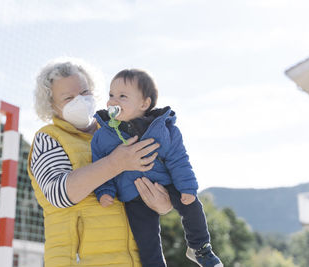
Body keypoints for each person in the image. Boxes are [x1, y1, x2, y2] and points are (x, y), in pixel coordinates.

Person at [27, 58, 173, 267]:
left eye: (84, 93)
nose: (80, 101)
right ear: (51, 105)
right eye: (68, 97)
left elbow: (148, 183)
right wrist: (115, 163)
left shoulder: (118, 134)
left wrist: (163, 204)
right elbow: (58, 194)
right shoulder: (48, 138)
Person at [91, 69, 224, 267]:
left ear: (144, 103)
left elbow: (178, 160)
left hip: (166, 184)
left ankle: (200, 248)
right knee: (147, 241)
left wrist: (186, 188)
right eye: (111, 95)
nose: (113, 101)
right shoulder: (103, 135)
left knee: (193, 206)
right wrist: (105, 191)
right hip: (132, 196)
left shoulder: (164, 130)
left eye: (122, 96)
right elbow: (100, 165)